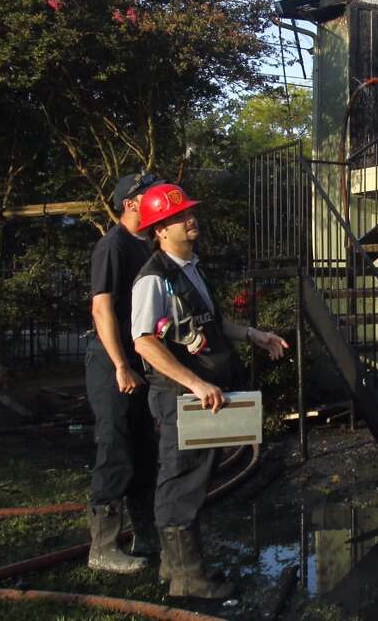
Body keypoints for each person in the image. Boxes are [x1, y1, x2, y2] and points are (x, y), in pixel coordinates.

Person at [129, 183, 288, 599]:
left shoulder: (192, 269)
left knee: (196, 476)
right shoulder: (154, 280)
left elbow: (210, 326)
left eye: (189, 213)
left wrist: (253, 333)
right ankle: (188, 579)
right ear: (159, 230)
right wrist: (195, 383)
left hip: (201, 393)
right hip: (181, 396)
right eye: (179, 216)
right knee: (181, 479)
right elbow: (145, 342)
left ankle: (175, 565)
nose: (190, 219)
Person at [86, 172, 160, 573]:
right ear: (132, 203)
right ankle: (103, 548)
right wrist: (119, 365)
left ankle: (147, 535)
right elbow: (102, 308)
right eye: (150, 194)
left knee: (144, 449)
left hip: (138, 361)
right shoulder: (112, 245)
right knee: (115, 446)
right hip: (110, 362)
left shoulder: (145, 245)